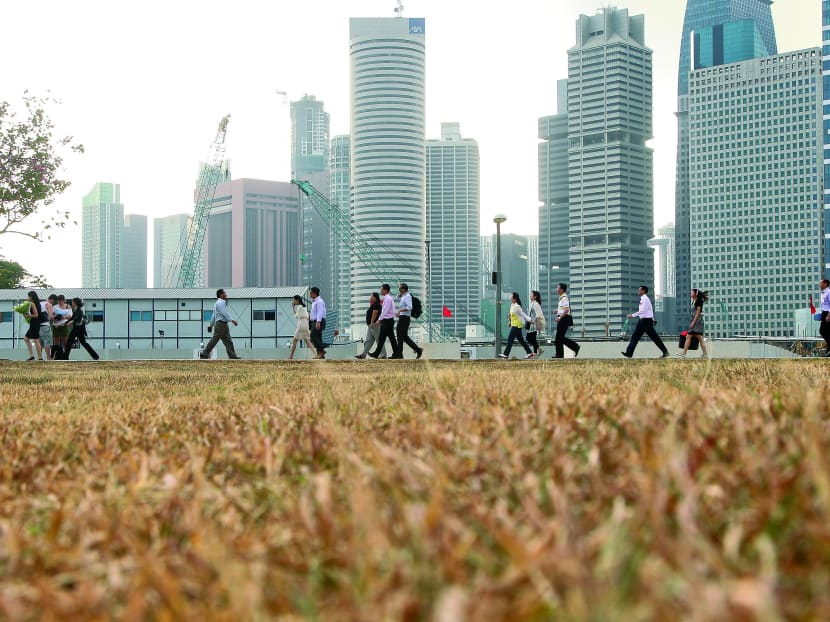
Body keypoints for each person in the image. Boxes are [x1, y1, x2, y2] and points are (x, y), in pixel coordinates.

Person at [621, 285, 669, 359]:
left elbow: (643, 311)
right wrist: (652, 319)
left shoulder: (645, 299)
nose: (638, 291)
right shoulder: (644, 299)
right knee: (636, 337)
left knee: (653, 337)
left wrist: (632, 315)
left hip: (645, 321)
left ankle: (665, 352)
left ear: (643, 291)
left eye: (639, 290)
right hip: (643, 321)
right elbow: (649, 310)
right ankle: (629, 353)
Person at [200, 289, 240, 360]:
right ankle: (204, 353)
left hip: (223, 325)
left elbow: (214, 316)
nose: (226, 294)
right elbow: (224, 313)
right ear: (221, 295)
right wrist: (232, 320)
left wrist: (211, 325)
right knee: (215, 340)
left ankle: (232, 355)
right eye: (224, 293)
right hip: (221, 325)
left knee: (228, 341)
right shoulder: (220, 303)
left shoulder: (217, 303)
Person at [498, 292, 535, 359]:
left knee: (510, 339)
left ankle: (506, 354)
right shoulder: (512, 305)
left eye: (511, 297)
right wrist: (510, 322)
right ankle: (529, 353)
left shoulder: (517, 306)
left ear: (514, 299)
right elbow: (512, 315)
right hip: (514, 324)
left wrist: (530, 320)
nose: (510, 298)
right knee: (521, 341)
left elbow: (523, 314)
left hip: (517, 325)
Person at [392, 283, 423, 359]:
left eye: (400, 289)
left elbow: (410, 307)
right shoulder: (405, 296)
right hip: (403, 318)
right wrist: (399, 295)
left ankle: (399, 354)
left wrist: (400, 311)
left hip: (404, 319)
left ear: (403, 289)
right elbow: (397, 298)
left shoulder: (407, 297)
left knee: (399, 335)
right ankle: (417, 350)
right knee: (404, 337)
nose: (399, 290)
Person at [677, 288, 709, 358]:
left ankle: (684, 353)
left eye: (692, 293)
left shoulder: (698, 301)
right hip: (695, 321)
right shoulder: (694, 301)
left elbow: (698, 313)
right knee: (697, 337)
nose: (690, 294)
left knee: (691, 336)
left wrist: (693, 322)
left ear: (695, 294)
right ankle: (705, 354)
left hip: (697, 322)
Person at [369, 284, 399, 359]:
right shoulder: (387, 298)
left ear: (385, 290)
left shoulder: (388, 299)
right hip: (388, 320)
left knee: (386, 338)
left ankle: (396, 353)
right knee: (386, 338)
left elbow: (385, 310)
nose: (381, 291)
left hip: (387, 320)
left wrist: (379, 320)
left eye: (382, 289)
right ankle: (395, 353)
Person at [355, 292, 386, 359]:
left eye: (371, 296)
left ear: (374, 297)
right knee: (369, 340)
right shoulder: (374, 304)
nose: (370, 297)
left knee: (379, 340)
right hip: (371, 325)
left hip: (374, 325)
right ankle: (364, 354)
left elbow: (375, 313)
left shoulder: (376, 304)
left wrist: (372, 322)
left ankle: (383, 354)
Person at [554, 283, 580, 358]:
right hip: (563, 319)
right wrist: (558, 311)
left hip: (563, 319)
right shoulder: (562, 298)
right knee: (560, 338)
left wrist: (559, 317)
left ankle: (574, 347)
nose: (556, 289)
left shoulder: (564, 298)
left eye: (558, 288)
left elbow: (566, 310)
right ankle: (561, 354)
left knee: (558, 338)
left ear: (562, 289)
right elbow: (564, 309)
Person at [288, 295, 317, 359]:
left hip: (301, 324)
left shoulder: (299, 307)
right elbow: (307, 316)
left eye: (294, 300)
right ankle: (315, 354)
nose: (293, 301)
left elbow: (296, 316)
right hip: (305, 324)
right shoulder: (304, 307)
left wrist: (293, 307)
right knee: (307, 341)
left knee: (294, 341)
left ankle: (291, 356)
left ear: (297, 300)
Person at [22, 291, 46, 361]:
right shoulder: (37, 303)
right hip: (35, 323)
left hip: (34, 323)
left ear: (31, 297)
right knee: (26, 339)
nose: (28, 298)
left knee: (36, 340)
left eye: (29, 296)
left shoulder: (32, 303)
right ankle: (32, 355)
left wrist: (27, 315)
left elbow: (36, 315)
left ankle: (40, 357)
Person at [51, 294, 73, 360]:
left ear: (63, 300)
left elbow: (70, 316)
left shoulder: (68, 306)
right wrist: (55, 319)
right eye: (58, 301)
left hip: (64, 325)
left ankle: (65, 355)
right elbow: (52, 316)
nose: (59, 302)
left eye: (61, 301)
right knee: (56, 343)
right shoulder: (55, 307)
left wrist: (63, 317)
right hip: (56, 325)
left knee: (65, 342)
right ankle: (57, 355)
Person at [309, 286, 327, 359]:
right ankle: (320, 354)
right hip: (314, 321)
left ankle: (322, 349)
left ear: (314, 293)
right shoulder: (314, 302)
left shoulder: (319, 301)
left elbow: (320, 311)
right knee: (318, 337)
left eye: (311, 292)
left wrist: (318, 322)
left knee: (313, 335)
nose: (310, 294)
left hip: (319, 321)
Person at [526, 290, 546, 358]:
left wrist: (538, 324)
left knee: (529, 338)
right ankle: (535, 353)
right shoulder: (532, 303)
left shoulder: (536, 304)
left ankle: (538, 350)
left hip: (534, 324)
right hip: (531, 324)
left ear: (535, 297)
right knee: (532, 339)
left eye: (531, 294)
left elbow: (538, 315)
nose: (530, 295)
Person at [821, 279, 830, 357]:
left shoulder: (828, 292)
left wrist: (828, 315)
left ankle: (829, 348)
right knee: (825, 331)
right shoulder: (823, 293)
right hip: (824, 313)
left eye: (821, 283)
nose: (820, 285)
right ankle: (829, 349)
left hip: (828, 314)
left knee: (823, 331)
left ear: (825, 284)